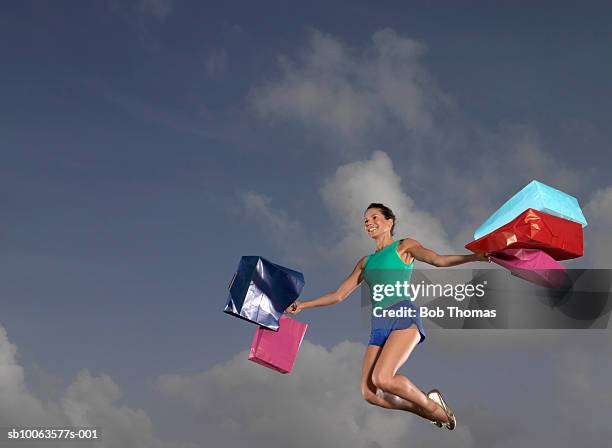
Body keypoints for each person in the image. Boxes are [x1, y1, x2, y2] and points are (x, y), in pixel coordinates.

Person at [285, 203, 491, 430]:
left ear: (390, 222)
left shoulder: (404, 246)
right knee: (370, 393)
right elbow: (338, 295)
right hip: (379, 325)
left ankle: (433, 408)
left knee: (383, 379)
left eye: (374, 217)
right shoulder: (366, 262)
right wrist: (303, 305)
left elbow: (438, 260)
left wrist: (475, 258)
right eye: (365, 220)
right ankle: (428, 409)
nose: (369, 223)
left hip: (402, 316)